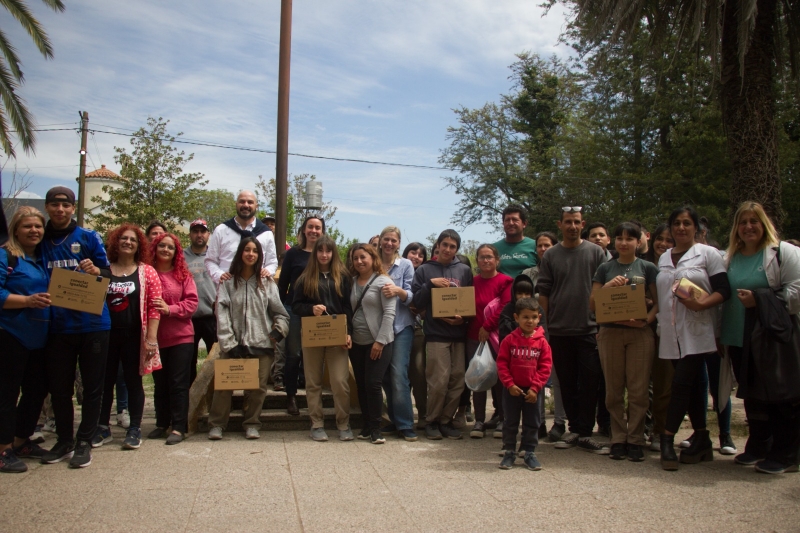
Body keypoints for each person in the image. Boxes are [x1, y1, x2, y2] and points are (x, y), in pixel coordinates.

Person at [722, 202, 800, 474]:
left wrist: (761, 300)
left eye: (754, 221)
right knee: (752, 395)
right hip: (737, 336)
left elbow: (797, 290)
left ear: (764, 223)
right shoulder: (729, 256)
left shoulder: (782, 253)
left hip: (771, 338)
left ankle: (787, 453)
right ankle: (759, 445)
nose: (748, 226)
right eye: (743, 222)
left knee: (779, 395)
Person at [39, 187, 111, 469]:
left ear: (73, 208)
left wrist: (96, 272)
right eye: (54, 205)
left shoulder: (89, 237)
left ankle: (85, 441)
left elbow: (108, 273)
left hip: (93, 323)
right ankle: (64, 440)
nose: (59, 209)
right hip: (58, 325)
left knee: (93, 387)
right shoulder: (39, 239)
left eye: (65, 205)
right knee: (59, 388)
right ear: (47, 207)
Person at [656, 206, 730, 471]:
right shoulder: (664, 257)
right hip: (670, 333)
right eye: (676, 223)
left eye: (687, 223)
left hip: (698, 332)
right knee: (694, 386)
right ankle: (702, 439)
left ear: (696, 228)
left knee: (681, 384)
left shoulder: (708, 254)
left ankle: (666, 438)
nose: (681, 228)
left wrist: (704, 304)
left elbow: (724, 290)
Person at [537, 206, 609, 454]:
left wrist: (602, 322)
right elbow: (544, 291)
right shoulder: (551, 255)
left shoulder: (596, 252)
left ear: (582, 223)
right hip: (559, 329)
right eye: (567, 222)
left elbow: (606, 288)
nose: (572, 226)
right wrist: (545, 326)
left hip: (589, 328)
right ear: (560, 224)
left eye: (576, 222)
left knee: (590, 382)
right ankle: (575, 430)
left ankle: (587, 432)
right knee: (566, 383)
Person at [208, 238, 290, 441]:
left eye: (255, 251)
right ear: (240, 253)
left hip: (261, 345)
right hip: (233, 345)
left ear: (259, 256)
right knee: (224, 386)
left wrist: (278, 333)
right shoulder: (228, 282)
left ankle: (252, 423)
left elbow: (281, 313)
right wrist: (228, 342)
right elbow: (222, 312)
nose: (250, 254)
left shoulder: (267, 282)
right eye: (247, 250)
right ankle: (217, 423)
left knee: (258, 389)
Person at [590, 222, 659, 462]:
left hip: (640, 334)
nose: (623, 243)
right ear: (613, 241)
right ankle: (618, 438)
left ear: (638, 242)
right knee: (614, 390)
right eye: (619, 238)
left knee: (639, 390)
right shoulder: (604, 269)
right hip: (610, 333)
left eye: (629, 238)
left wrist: (645, 322)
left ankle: (636, 438)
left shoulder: (648, 267)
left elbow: (658, 302)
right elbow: (592, 304)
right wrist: (608, 287)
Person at [94, 224, 161, 451]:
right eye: (123, 238)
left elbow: (154, 307)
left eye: (133, 240)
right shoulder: (104, 270)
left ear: (139, 245)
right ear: (115, 242)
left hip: (134, 336)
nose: (128, 242)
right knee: (104, 383)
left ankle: (134, 428)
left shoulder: (146, 271)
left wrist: (151, 339)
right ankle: (102, 427)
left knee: (134, 383)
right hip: (106, 336)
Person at [0, 207, 50, 472]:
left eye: (38, 226)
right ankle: (3, 449)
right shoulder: (5, 255)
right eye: (28, 226)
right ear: (15, 229)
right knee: (7, 394)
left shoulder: (41, 258)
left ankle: (21, 441)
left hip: (39, 338)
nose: (34, 231)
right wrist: (27, 301)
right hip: (11, 334)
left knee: (36, 392)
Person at [411, 229, 473, 440]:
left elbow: (468, 302)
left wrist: (462, 319)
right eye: (444, 245)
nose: (447, 249)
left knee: (457, 380)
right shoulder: (425, 270)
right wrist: (431, 284)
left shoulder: (464, 270)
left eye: (452, 246)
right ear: (437, 246)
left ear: (457, 249)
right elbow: (416, 302)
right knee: (438, 381)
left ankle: (446, 420)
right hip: (436, 334)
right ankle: (432, 420)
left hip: (458, 334)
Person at [292, 236, 353, 442]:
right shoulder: (304, 277)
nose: (324, 255)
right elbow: (296, 306)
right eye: (320, 251)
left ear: (333, 253)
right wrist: (311, 309)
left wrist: (348, 332)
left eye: (328, 251)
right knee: (313, 382)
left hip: (337, 334)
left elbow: (348, 308)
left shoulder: (343, 277)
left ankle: (343, 423)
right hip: (313, 334)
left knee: (339, 382)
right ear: (315, 253)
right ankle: (316, 424)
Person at [149, 233, 198, 445]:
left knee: (178, 383)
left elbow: (191, 303)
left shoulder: (182, 275)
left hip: (181, 337)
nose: (166, 250)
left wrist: (170, 309)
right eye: (162, 246)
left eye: (170, 247)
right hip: (154, 338)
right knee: (159, 383)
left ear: (176, 252)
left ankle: (179, 427)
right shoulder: (147, 273)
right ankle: (162, 423)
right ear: (155, 248)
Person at [277, 215, 325, 414]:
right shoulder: (293, 254)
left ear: (322, 232)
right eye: (310, 227)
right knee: (294, 354)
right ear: (304, 230)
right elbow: (282, 285)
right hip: (294, 309)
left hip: (318, 311)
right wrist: (278, 312)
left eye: (318, 228)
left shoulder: (325, 254)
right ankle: (291, 397)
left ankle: (313, 395)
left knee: (314, 354)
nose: (314, 231)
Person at [497, 297, 552, 471]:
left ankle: (529, 452)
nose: (530, 321)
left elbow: (545, 367)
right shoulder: (509, 340)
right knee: (510, 422)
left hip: (533, 391)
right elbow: (502, 364)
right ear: (516, 317)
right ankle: (509, 451)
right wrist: (509, 384)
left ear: (539, 318)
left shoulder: (542, 342)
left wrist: (536, 388)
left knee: (532, 422)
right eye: (526, 317)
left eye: (534, 317)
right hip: (513, 389)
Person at [349, 243, 396, 444]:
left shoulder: (383, 281)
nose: (359, 261)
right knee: (361, 385)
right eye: (355, 258)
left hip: (379, 343)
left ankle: (377, 427)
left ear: (372, 258)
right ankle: (367, 425)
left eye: (363, 257)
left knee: (373, 384)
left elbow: (389, 313)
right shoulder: (350, 282)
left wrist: (380, 341)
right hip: (356, 343)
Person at [376, 227, 418, 441]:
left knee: (398, 375)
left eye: (393, 240)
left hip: (401, 327)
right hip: (378, 328)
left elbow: (413, 296)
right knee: (384, 376)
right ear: (380, 241)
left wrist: (398, 291)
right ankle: (394, 420)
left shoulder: (406, 265)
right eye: (386, 239)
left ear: (399, 243)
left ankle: (405, 424)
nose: (389, 243)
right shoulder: (373, 265)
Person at [467, 244, 512, 439]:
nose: (486, 260)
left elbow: (506, 306)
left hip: (497, 338)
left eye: (489, 257)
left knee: (500, 379)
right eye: (482, 257)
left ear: (497, 260)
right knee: (478, 377)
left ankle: (502, 418)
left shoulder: (506, 281)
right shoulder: (471, 282)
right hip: (473, 337)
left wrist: (487, 326)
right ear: (477, 261)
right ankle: (479, 421)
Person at [643, 223, 675, 451]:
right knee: (641, 384)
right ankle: (640, 428)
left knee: (664, 384)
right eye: (659, 239)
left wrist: (654, 304)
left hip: (669, 332)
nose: (663, 244)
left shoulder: (677, 265)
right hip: (642, 330)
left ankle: (659, 431)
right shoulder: (641, 264)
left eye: (669, 240)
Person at [205, 190, 278, 285]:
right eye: (242, 201)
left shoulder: (266, 233)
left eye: (250, 202)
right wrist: (219, 275)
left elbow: (272, 262)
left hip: (256, 290)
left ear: (256, 206)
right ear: (236, 204)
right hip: (227, 289)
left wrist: (267, 271)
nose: (246, 205)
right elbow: (210, 260)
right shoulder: (221, 230)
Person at [184, 219, 217, 384]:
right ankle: (191, 399)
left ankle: (215, 396)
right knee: (188, 360)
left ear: (208, 234)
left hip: (212, 316)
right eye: (195, 231)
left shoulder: (216, 256)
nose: (199, 235)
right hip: (189, 317)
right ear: (190, 234)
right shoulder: (181, 257)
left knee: (215, 360)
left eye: (202, 231)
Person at [403, 242, 428, 428]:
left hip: (418, 329)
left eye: (421, 255)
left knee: (418, 372)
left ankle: (423, 413)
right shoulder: (399, 271)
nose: (416, 257)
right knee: (399, 375)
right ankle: (402, 415)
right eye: (413, 252)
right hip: (397, 329)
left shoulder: (427, 276)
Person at [494, 205, 537, 279]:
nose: (511, 223)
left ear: (524, 224)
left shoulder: (536, 246)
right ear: (503, 223)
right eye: (507, 220)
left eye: (515, 219)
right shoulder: (493, 249)